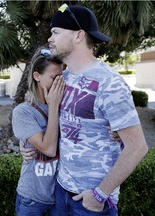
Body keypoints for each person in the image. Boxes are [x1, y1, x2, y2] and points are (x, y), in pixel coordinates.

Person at [46, 3, 148, 215]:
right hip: (61, 189)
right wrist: (26, 142)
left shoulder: (110, 83)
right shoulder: (64, 77)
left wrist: (100, 194)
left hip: (90, 202)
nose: (50, 38)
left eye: (56, 32)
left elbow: (137, 147)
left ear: (78, 36)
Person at [12, 47, 65, 216]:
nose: (60, 82)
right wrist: (54, 106)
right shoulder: (24, 112)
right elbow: (48, 148)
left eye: (62, 76)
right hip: (33, 199)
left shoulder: (68, 105)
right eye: (54, 77)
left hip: (60, 197)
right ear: (37, 76)